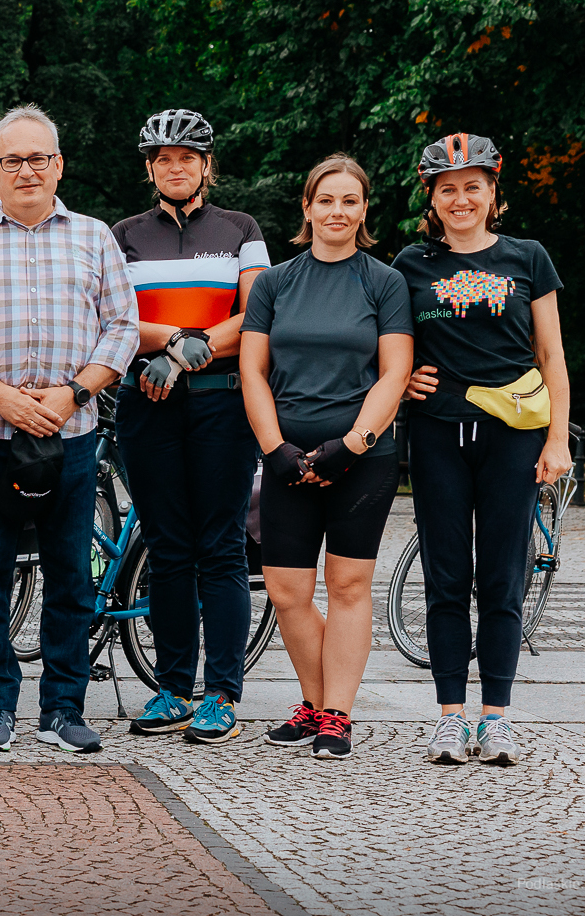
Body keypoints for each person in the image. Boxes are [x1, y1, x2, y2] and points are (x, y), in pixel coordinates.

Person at [0, 105, 139, 755]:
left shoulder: (95, 236)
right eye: (12, 159)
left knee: (70, 574)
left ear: (58, 164)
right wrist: (2, 398)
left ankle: (63, 709)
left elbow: (122, 328)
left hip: (70, 435)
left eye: (38, 157)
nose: (26, 169)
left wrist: (71, 393)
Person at [395, 134, 572, 767]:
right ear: (433, 198)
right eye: (448, 188)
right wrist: (406, 373)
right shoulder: (410, 265)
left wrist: (557, 439)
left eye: (473, 185)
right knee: (447, 578)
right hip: (438, 432)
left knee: (503, 577)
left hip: (515, 435)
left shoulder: (529, 257)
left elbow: (551, 355)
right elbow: (390, 348)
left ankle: (495, 716)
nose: (461, 198)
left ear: (493, 192)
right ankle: (449, 716)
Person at [240, 154, 413, 761]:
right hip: (286, 456)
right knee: (287, 589)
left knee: (347, 585)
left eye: (349, 201)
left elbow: (395, 372)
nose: (336, 211)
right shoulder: (275, 283)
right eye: (325, 200)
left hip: (362, 457)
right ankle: (315, 703)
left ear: (364, 209)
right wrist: (275, 449)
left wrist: (353, 444)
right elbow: (252, 372)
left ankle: (337, 714)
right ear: (307, 208)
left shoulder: (384, 281)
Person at [111, 110, 269, 744]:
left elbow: (256, 312)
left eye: (187, 158)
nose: (176, 168)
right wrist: (173, 338)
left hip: (220, 403)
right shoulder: (123, 234)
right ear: (150, 169)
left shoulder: (241, 228)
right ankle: (174, 688)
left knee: (221, 547)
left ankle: (222, 694)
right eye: (164, 159)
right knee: (169, 546)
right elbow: (115, 318)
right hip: (145, 403)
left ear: (208, 166)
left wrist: (180, 352)